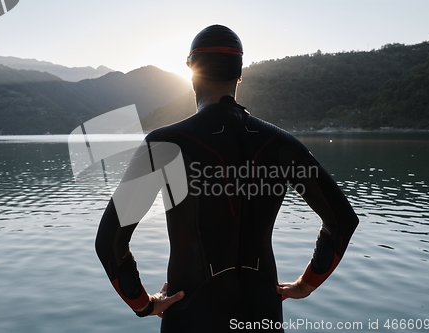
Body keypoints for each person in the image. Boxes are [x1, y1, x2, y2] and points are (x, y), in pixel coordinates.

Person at [95, 25, 359, 332]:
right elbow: (342, 220)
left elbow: (110, 241)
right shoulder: (282, 144)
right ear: (240, 74)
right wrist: (306, 284)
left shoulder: (164, 144)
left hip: (191, 318)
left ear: (191, 70)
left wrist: (145, 304)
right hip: (263, 315)